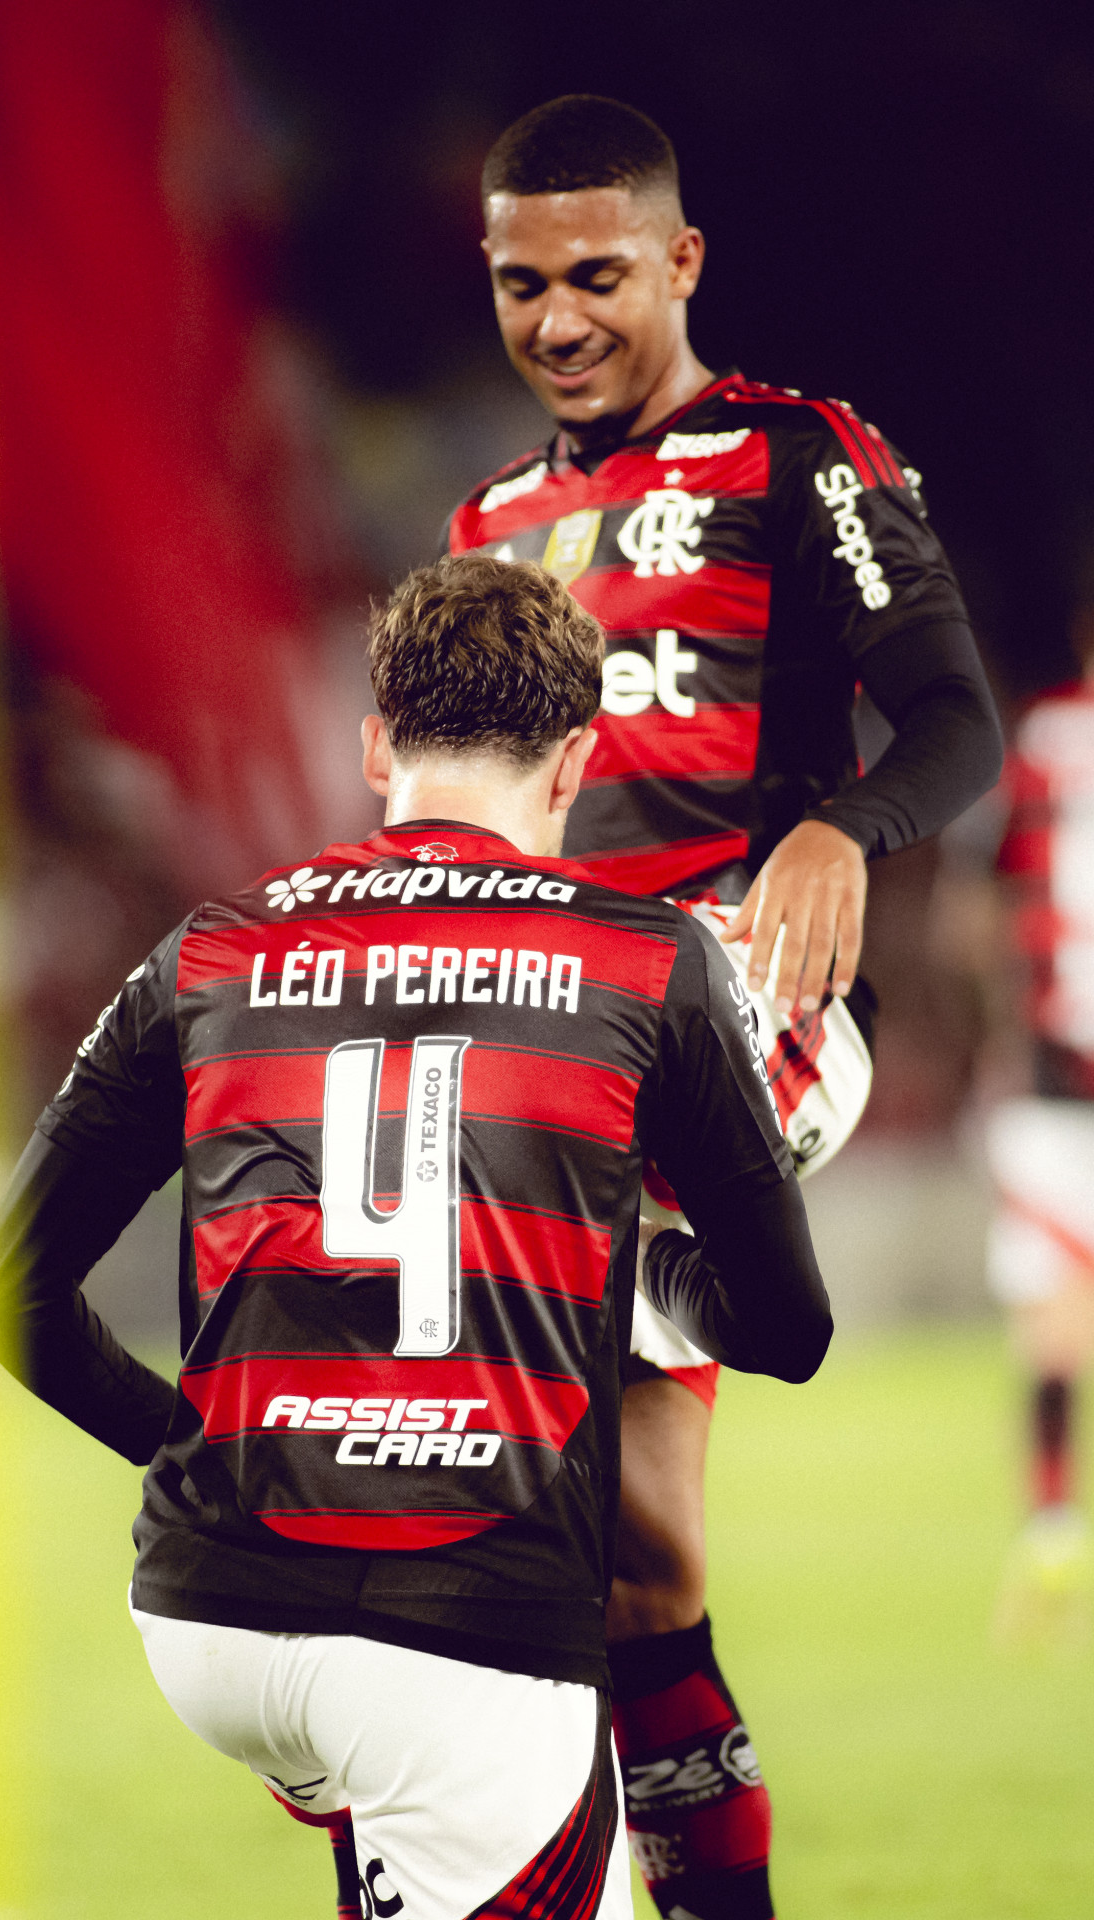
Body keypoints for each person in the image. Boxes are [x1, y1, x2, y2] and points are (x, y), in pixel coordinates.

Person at [0, 553, 833, 1920]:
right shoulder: (643, 964)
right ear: (574, 765)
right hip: (462, 1624)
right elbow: (790, 1332)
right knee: (436, 1754)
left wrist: (183, 1446)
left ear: (377, 747)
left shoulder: (207, 951)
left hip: (207, 1616)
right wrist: (632, 1266)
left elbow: (1, 1291)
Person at [447, 96, 1003, 1920]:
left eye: (598, 275)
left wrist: (844, 828)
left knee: (571, 1537)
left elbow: (950, 721)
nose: (560, 320)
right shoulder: (495, 521)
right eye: (524, 283)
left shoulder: (801, 458)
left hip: (725, 1010)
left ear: (680, 263)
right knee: (636, 1569)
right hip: (535, 1031)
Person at [985, 647, 1094, 1641]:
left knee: (1058, 1329)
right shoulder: (1050, 737)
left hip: (1054, 1087)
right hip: (1057, 1097)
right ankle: (1054, 1530)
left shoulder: (1048, 740)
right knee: (1057, 1327)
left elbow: (983, 906)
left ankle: (1055, 1524)